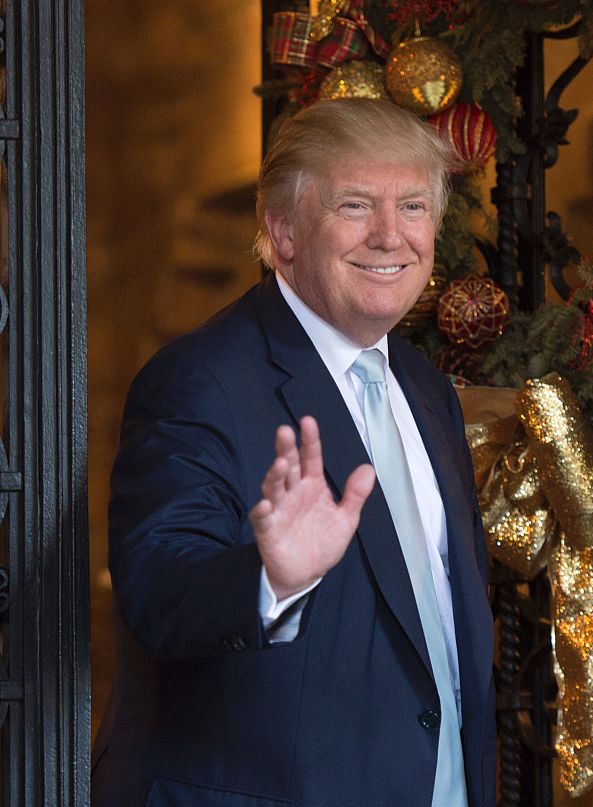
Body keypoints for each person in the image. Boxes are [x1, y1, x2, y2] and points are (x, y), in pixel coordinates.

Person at [91, 98, 496, 807]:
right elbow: (157, 589)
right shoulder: (199, 380)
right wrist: (269, 578)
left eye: (411, 206)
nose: (390, 235)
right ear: (282, 230)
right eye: (354, 205)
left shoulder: (427, 390)